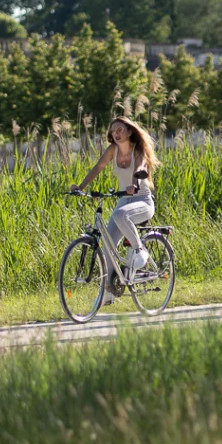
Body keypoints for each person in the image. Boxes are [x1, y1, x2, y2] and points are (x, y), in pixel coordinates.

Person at [72, 117, 160, 304]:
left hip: (142, 201)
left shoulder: (138, 150)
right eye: (113, 131)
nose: (116, 133)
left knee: (120, 215)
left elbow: (140, 168)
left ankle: (140, 250)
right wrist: (80, 187)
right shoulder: (113, 149)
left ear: (129, 132)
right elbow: (99, 167)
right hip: (124, 200)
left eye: (120, 129)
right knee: (107, 248)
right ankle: (107, 292)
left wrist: (134, 185)